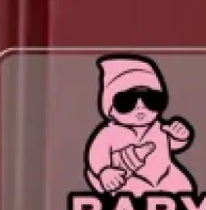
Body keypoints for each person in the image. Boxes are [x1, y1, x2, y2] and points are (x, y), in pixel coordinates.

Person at [83, 55, 196, 197]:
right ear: (110, 109)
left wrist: (180, 137)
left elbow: (172, 145)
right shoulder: (109, 133)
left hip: (165, 175)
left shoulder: (159, 128)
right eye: (127, 102)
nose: (140, 108)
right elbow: (97, 154)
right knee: (129, 195)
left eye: (151, 100)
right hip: (129, 180)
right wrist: (104, 171)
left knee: (183, 188)